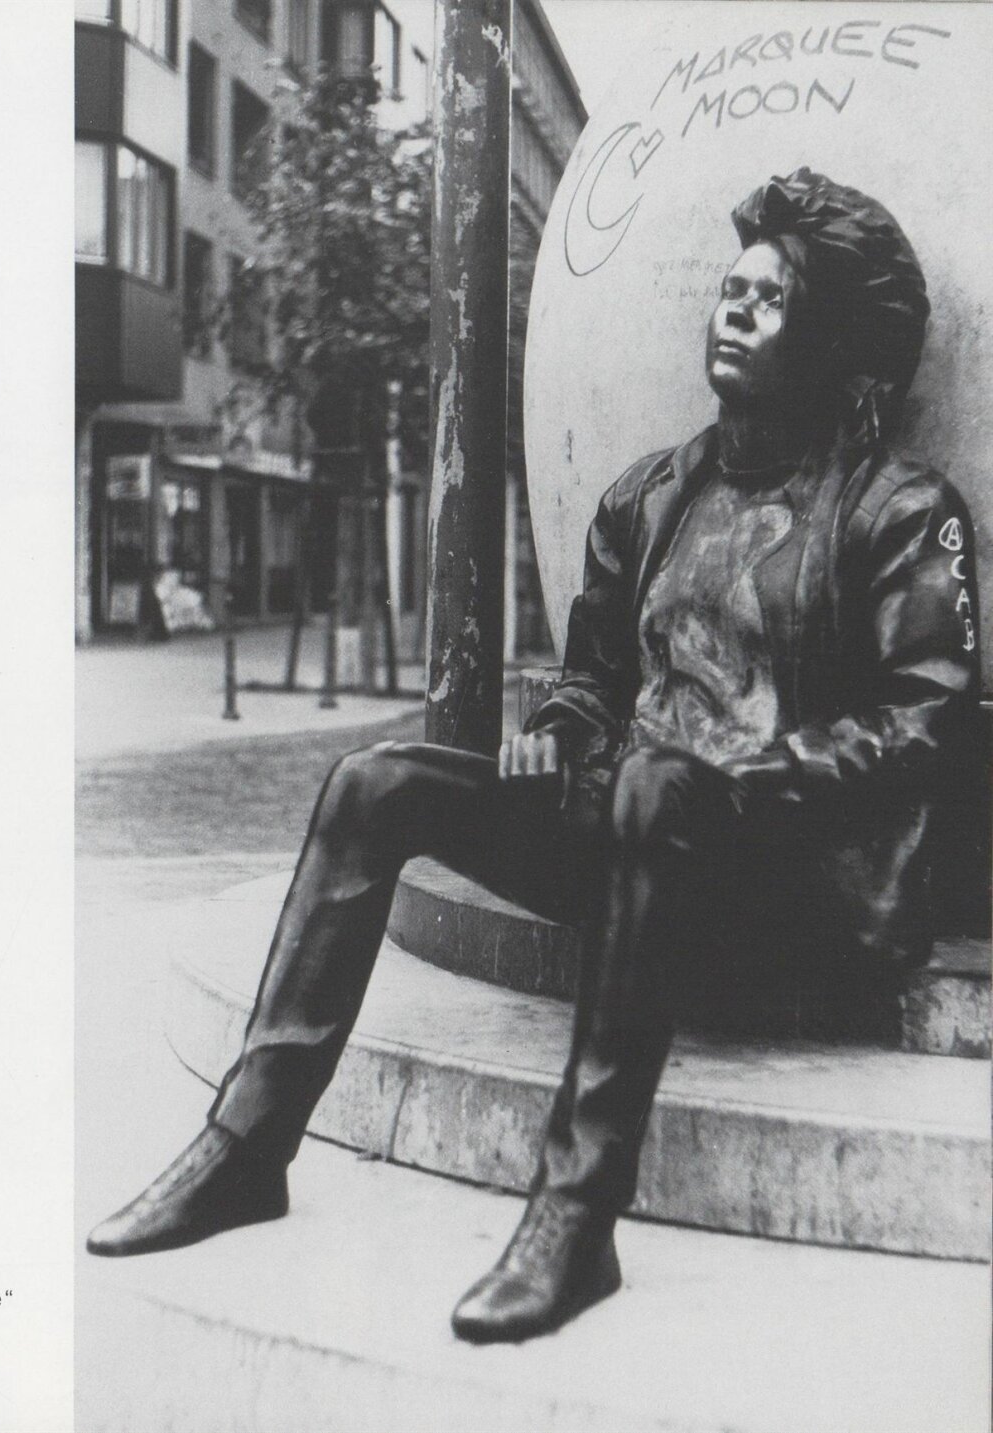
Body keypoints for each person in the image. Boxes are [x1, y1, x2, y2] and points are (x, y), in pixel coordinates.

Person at [85, 169, 980, 1344]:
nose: (736, 307)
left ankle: (574, 1212)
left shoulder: (900, 510)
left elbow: (925, 721)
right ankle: (245, 1144)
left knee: (656, 786)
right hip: (632, 838)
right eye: (733, 286)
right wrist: (556, 737)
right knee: (375, 781)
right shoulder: (649, 495)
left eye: (773, 299)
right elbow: (590, 684)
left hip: (788, 880)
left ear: (836, 347)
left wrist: (739, 782)